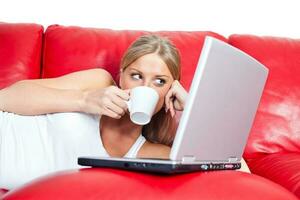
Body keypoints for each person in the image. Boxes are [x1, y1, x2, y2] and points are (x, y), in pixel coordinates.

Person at [0, 35, 249, 190]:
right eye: (136, 76)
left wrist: (193, 109)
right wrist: (84, 100)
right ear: (121, 77)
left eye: (159, 82)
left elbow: (238, 171)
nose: (144, 88)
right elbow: (6, 98)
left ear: (170, 92)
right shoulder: (99, 83)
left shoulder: (147, 153)